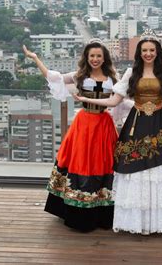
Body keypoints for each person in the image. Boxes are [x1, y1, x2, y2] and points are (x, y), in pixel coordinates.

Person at [73, 29, 162, 234]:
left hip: (160, 124)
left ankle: (160, 222)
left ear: (157, 52)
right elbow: (114, 101)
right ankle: (138, 221)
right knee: (136, 169)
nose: (148, 54)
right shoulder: (131, 73)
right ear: (139, 53)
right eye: (144, 50)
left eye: (151, 50)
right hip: (137, 123)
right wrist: (88, 100)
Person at [22, 39, 118, 232]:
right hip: (84, 124)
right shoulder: (79, 76)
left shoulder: (113, 78)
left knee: (102, 162)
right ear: (87, 57)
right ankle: (78, 212)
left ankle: (101, 212)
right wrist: (35, 58)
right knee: (81, 161)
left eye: (99, 55)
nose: (95, 59)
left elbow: (124, 97)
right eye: (92, 55)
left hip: (103, 125)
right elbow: (53, 77)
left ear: (104, 57)